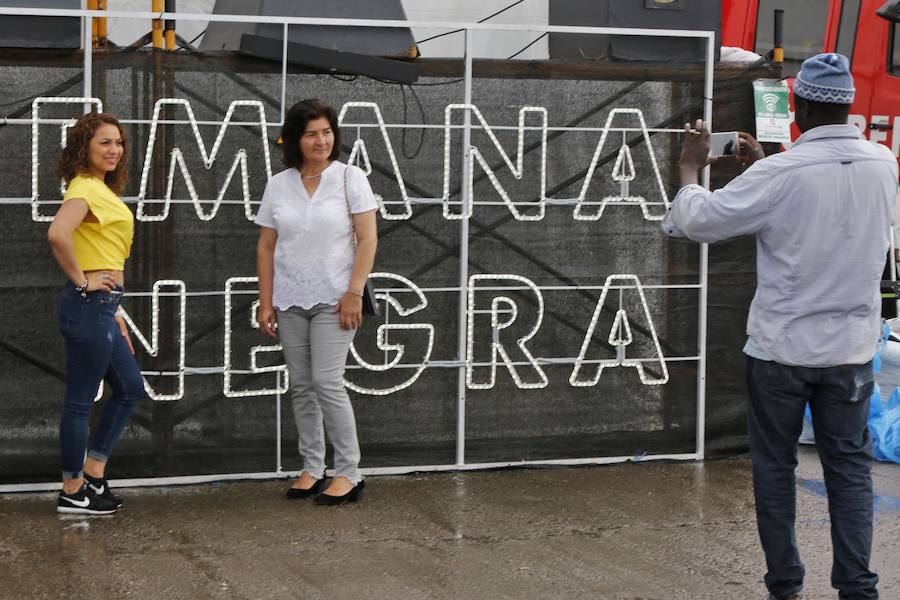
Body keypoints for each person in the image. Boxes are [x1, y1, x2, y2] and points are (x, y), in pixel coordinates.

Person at [662, 53, 898, 600]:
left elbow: (698, 221)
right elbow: (821, 207)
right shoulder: (883, 163)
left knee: (775, 469)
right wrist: (766, 164)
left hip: (780, 352)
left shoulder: (780, 174)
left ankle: (786, 586)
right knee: (850, 470)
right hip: (851, 353)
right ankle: (857, 587)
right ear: (848, 106)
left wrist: (691, 169)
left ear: (800, 106)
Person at [255, 98, 378, 505]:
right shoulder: (279, 184)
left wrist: (354, 292)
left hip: (336, 299)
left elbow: (368, 239)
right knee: (302, 386)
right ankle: (312, 467)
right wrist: (266, 301)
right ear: (295, 140)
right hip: (290, 299)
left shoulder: (350, 178)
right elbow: (267, 246)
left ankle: (349, 473)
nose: (321, 141)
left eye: (326, 132)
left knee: (327, 383)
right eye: (311, 134)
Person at [47, 112, 145, 515]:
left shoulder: (100, 189)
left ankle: (93, 474)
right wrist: (82, 283)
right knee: (80, 401)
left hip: (103, 308)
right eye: (104, 142)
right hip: (88, 305)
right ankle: (72, 490)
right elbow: (58, 233)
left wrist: (115, 309)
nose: (114, 149)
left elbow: (99, 247)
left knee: (130, 387)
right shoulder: (84, 187)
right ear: (84, 146)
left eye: (118, 142)